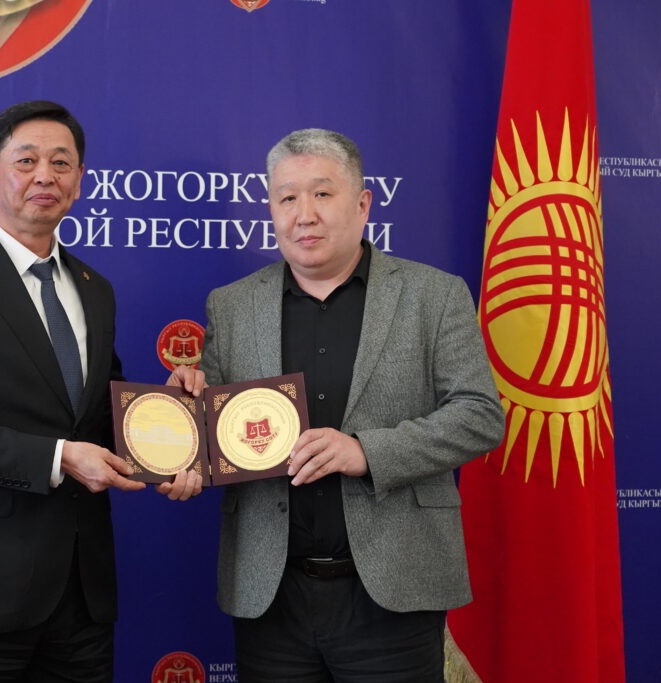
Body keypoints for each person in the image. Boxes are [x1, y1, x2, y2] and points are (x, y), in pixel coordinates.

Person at [174, 128, 505, 681]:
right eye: (287, 198)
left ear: (363, 203)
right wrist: (185, 432)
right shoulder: (231, 306)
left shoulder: (434, 294)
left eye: (322, 193)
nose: (304, 214)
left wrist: (367, 452)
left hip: (394, 593)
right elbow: (217, 436)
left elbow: (479, 415)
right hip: (271, 597)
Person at [0, 100, 201, 682]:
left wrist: (171, 420)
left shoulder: (95, 289)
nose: (44, 176)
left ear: (78, 182)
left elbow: (101, 420)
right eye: (26, 160)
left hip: (82, 598)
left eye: (61, 163)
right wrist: (59, 458)